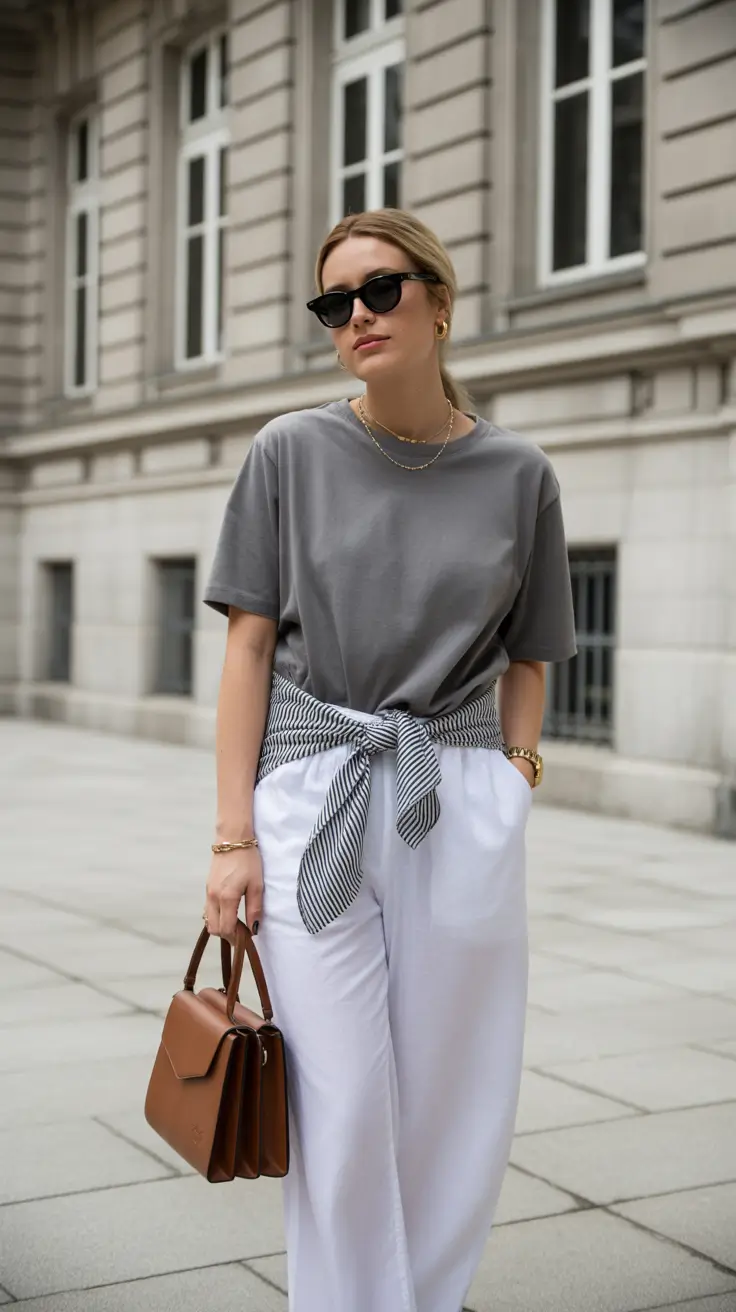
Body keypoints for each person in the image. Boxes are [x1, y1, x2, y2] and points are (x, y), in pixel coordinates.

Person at [202, 208, 576, 1312]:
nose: (357, 315)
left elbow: (533, 653)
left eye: (380, 289)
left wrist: (513, 777)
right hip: (313, 785)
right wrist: (230, 837)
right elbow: (247, 649)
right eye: (335, 301)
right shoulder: (288, 450)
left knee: (455, 1087)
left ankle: (429, 1294)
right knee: (342, 1095)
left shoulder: (520, 473)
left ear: (440, 302)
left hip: (455, 795)